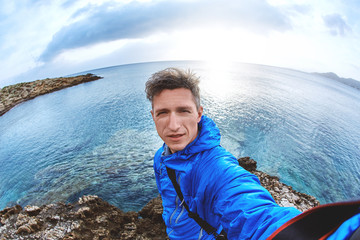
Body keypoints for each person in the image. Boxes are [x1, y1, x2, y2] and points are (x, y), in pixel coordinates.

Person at [145, 68, 360, 240]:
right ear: (153, 115)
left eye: (183, 111)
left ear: (199, 114)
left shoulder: (216, 168)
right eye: (163, 113)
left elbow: (255, 215)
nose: (173, 125)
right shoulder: (161, 158)